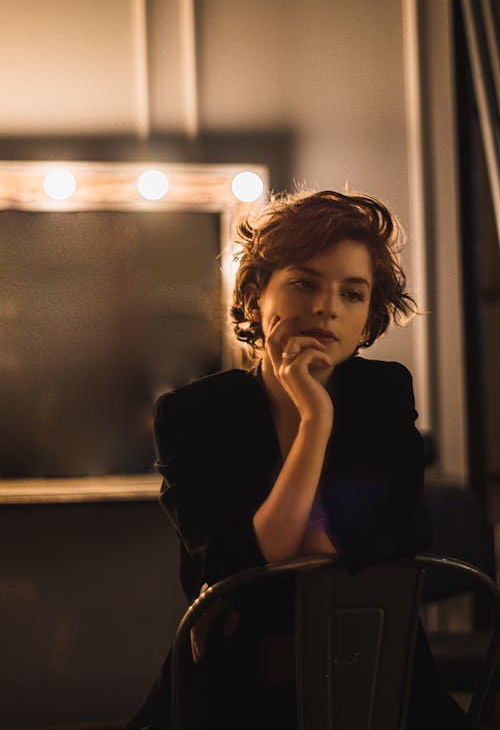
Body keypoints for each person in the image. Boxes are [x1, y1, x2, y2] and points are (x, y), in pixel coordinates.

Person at [125, 190, 468, 729]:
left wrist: (261, 566)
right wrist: (315, 423)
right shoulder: (193, 414)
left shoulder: (383, 391)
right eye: (305, 283)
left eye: (352, 294)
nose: (327, 307)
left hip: (372, 666)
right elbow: (235, 557)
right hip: (231, 685)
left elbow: (405, 530)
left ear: (368, 318)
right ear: (257, 294)